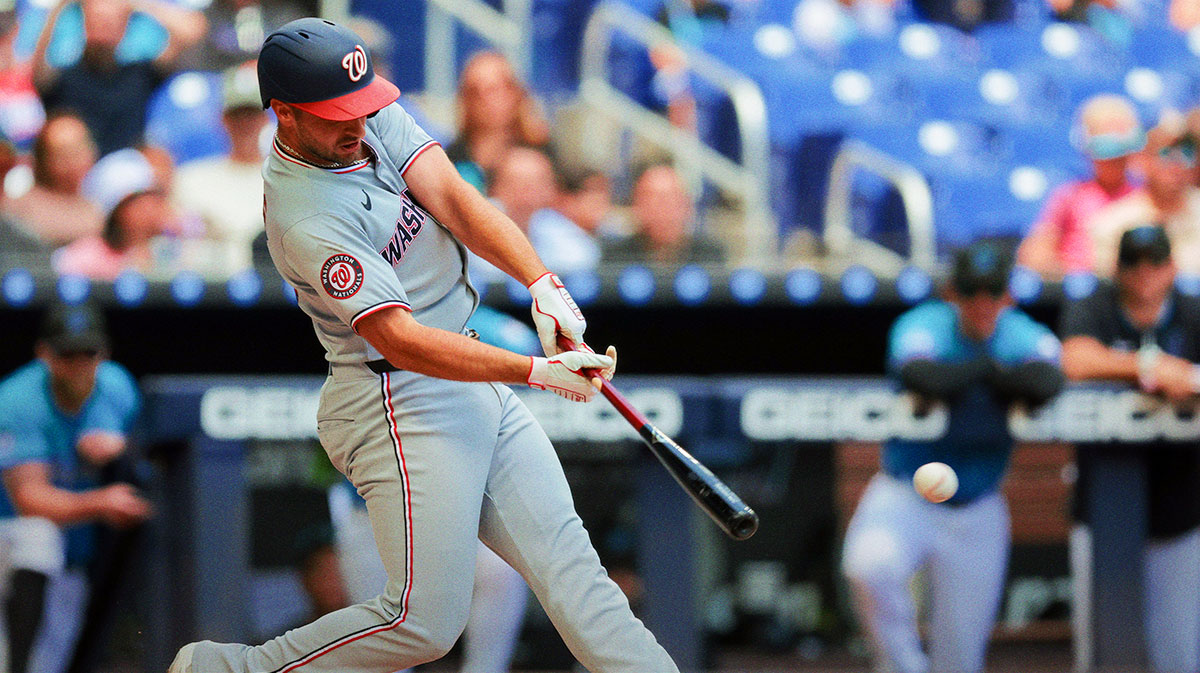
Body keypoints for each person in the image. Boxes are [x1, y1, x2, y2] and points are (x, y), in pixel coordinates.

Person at [170, 18, 676, 673]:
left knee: (576, 577)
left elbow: (455, 198)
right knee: (423, 623)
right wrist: (534, 370)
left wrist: (540, 280)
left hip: (465, 372)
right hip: (395, 399)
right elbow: (401, 340)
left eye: (361, 105)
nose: (357, 124)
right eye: (335, 115)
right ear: (285, 114)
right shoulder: (305, 212)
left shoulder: (364, 113)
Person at [841, 240, 1065, 673]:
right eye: (971, 293)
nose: (982, 304)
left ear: (1007, 295)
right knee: (869, 565)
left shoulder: (1020, 331)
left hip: (977, 505)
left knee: (961, 658)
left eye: (992, 293)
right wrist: (991, 371)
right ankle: (904, 667)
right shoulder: (925, 324)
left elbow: (1047, 380)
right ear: (952, 293)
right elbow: (920, 374)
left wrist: (980, 373)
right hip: (905, 490)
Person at [1060, 224, 1200, 673]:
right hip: (1103, 505)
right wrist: (1148, 367)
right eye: (1133, 262)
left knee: (1177, 653)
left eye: (1155, 262)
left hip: (1180, 504)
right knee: (1101, 650)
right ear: (1117, 267)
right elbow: (1076, 360)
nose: (1145, 273)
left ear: (1171, 267)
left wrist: (1191, 379)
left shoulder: (1192, 312)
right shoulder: (1094, 306)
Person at [0, 301, 151, 673]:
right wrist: (101, 500)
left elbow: (152, 455)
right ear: (45, 354)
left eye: (89, 353)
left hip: (71, 560)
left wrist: (124, 449)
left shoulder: (117, 387)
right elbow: (28, 500)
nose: (80, 364)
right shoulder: (18, 398)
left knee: (52, 664)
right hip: (8, 548)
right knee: (38, 535)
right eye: (68, 354)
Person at [32, 0, 207, 156]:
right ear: (85, 23)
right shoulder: (62, 77)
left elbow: (191, 31)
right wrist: (63, 5)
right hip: (71, 176)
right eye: (97, 19)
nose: (104, 26)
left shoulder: (139, 74)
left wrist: (136, 4)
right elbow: (35, 64)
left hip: (126, 177)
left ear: (125, 26)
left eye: (112, 21)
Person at [1017, 94, 1143, 278]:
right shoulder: (1069, 195)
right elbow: (1034, 254)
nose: (1113, 160)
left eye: (1120, 152)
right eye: (1105, 152)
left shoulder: (1145, 198)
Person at [173, 61, 270, 277]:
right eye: (237, 115)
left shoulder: (286, 179)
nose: (245, 124)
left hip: (270, 290)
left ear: (264, 119)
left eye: (251, 114)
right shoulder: (191, 178)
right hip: (212, 289)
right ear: (223, 120)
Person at [1089, 121, 1200, 276]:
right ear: (1143, 160)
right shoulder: (1114, 223)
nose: (1177, 163)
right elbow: (1110, 288)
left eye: (1187, 153)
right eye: (1165, 153)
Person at [54, 147, 180, 280]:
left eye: (154, 195)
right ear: (118, 211)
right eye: (139, 201)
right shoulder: (83, 258)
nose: (153, 206)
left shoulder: (174, 248)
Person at [444, 51, 550, 190]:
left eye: (493, 90)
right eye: (475, 92)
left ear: (515, 92)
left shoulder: (541, 151)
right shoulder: (452, 158)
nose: (485, 100)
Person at [487, 146, 599, 275]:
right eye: (516, 182)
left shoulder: (551, 224)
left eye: (536, 184)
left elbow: (584, 256)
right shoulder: (476, 219)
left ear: (551, 189)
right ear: (495, 188)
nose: (527, 194)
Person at [3, 111, 102, 247]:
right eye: (62, 154)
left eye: (79, 149)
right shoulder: (18, 210)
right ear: (41, 160)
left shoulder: (95, 207)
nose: (73, 162)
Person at [601, 162, 724, 265]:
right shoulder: (616, 257)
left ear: (687, 206)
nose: (662, 211)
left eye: (669, 200)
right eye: (652, 200)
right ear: (636, 206)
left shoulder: (709, 256)